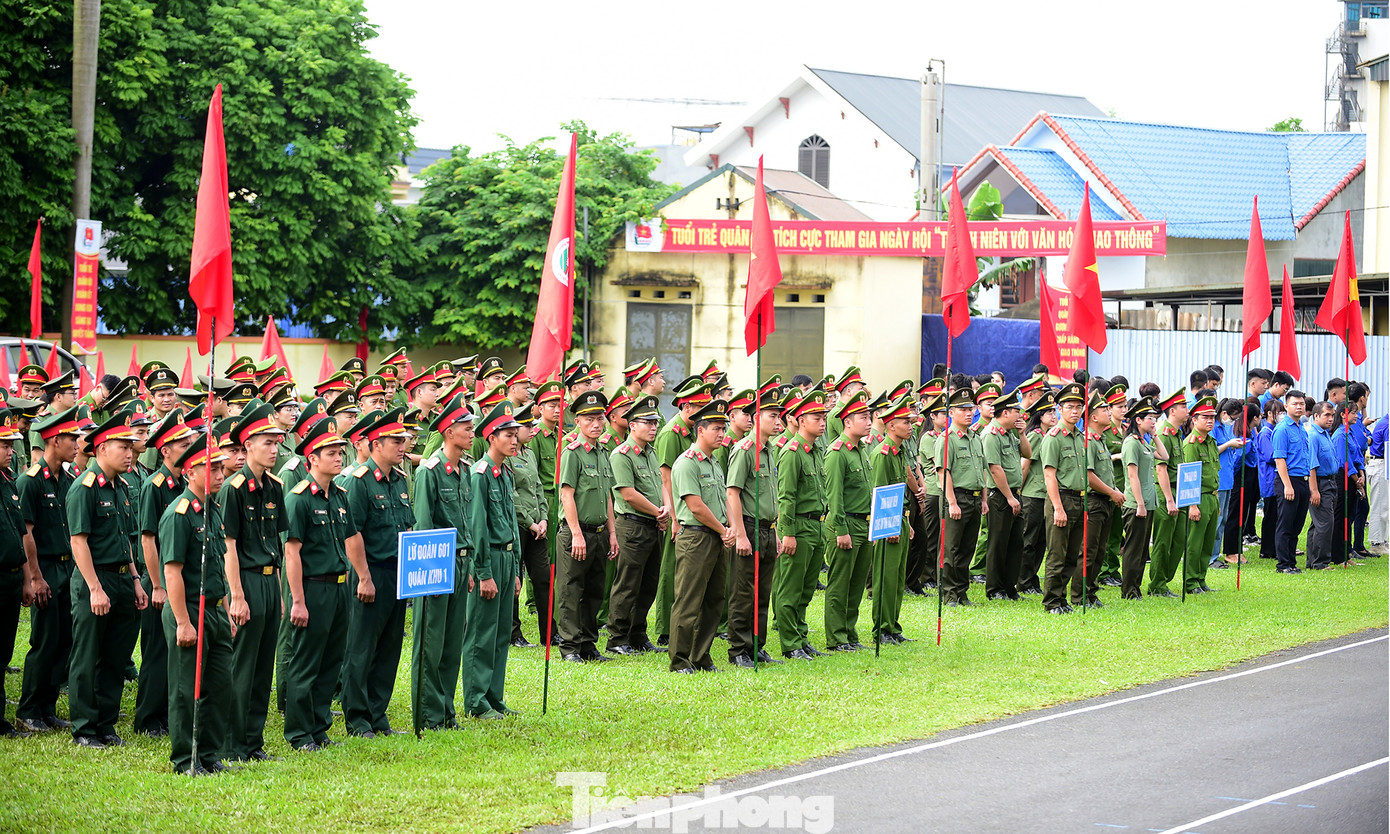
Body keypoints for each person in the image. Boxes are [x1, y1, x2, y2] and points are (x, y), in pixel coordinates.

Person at [67, 411, 147, 748]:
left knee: (116, 655)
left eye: (131, 446)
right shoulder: (84, 488)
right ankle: (85, 728)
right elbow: (78, 540)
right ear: (101, 448)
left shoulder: (123, 487)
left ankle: (105, 723)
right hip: (94, 579)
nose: (129, 452)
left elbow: (126, 538)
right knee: (88, 655)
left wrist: (136, 580)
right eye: (122, 446)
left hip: (121, 579)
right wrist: (95, 588)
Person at [159, 435, 234, 774]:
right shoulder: (180, 514)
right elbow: (172, 572)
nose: (220, 474)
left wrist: (228, 607)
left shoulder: (213, 509)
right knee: (187, 689)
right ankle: (184, 759)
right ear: (191, 472)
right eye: (213, 468)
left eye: (221, 467)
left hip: (216, 610)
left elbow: (219, 564)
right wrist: (184, 622)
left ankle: (208, 754)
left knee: (220, 686)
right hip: (189, 610)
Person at [340, 408, 414, 737]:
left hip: (398, 572)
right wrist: (364, 577)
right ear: (375, 445)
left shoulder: (400, 480)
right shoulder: (359, 483)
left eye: (404, 440)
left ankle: (377, 715)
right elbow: (352, 534)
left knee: (389, 648)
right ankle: (357, 719)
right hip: (370, 573)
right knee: (361, 648)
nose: (403, 446)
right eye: (395, 441)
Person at [220, 403, 288, 761]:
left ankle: (253, 742)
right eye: (267, 442)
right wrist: (236, 596)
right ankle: (232, 743)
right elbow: (229, 545)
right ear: (247, 445)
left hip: (267, 582)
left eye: (277, 442)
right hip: (244, 580)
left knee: (263, 670)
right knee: (242, 668)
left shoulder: (274, 487)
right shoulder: (233, 489)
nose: (274, 449)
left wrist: (277, 595)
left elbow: (276, 545)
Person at [282, 419, 355, 751]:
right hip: (313, 588)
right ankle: (299, 732)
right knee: (306, 660)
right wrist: (297, 600)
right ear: (312, 457)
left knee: (331, 660)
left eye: (340, 451)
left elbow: (351, 539)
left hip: (340, 587)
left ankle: (319, 727)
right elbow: (292, 552)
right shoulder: (298, 499)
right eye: (331, 452)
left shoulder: (339, 496)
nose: (339, 457)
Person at [14, 408, 81, 734]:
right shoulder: (30, 481)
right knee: (43, 641)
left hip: (69, 569)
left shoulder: (68, 480)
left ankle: (48, 707)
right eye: (72, 437)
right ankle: (29, 709)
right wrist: (35, 577)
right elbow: (27, 533)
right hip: (47, 568)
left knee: (64, 641)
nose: (77, 443)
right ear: (55, 440)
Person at [410, 394, 476, 730]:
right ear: (448, 431)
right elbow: (423, 526)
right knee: (431, 643)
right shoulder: (430, 471)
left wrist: (469, 567)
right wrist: (428, 574)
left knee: (452, 644)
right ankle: (428, 713)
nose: (472, 432)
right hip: (436, 563)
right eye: (466, 427)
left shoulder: (464, 470)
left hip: (461, 562)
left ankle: (446, 711)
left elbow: (466, 521)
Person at [464, 401, 523, 718]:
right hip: (488, 561)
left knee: (501, 633)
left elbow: (510, 523)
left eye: (516, 434)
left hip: (506, 559)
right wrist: (483, 572)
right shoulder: (480, 474)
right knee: (481, 633)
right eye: (508, 434)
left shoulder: (503, 474)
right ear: (490, 436)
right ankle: (475, 699)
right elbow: (478, 529)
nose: (514, 440)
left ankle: (493, 695)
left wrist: (514, 570)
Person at [668, 399, 736, 673]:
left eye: (724, 428)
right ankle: (680, 659)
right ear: (701, 430)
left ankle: (701, 655)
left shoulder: (714, 462)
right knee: (688, 600)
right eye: (717, 429)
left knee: (714, 600)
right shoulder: (687, 463)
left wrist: (731, 528)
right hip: (696, 538)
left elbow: (724, 500)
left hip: (717, 537)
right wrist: (724, 530)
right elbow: (695, 505)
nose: (722, 434)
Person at [556, 391, 619, 663]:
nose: (596, 423)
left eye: (600, 418)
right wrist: (577, 535)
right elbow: (566, 494)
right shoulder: (572, 452)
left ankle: (588, 645)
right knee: (571, 591)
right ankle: (570, 647)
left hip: (599, 533)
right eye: (589, 419)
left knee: (594, 591)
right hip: (576, 532)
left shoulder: (603, 453)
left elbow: (607, 496)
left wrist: (613, 533)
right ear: (578, 421)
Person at [606, 395, 668, 656]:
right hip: (632, 526)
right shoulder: (622, 454)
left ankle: (637, 633)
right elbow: (627, 493)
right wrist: (658, 512)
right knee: (628, 583)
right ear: (632, 425)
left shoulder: (651, 453)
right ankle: (617, 637)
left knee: (649, 583)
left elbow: (662, 484)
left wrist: (665, 510)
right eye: (647, 422)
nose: (654, 427)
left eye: (655, 422)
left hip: (654, 525)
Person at [725, 388, 781, 668]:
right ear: (757, 417)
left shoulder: (769, 450)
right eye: (772, 415)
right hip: (749, 526)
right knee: (743, 592)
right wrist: (740, 534)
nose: (778, 421)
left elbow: (771, 496)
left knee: (763, 592)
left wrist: (777, 533)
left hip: (768, 529)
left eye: (779, 415)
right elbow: (732, 492)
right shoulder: (744, 450)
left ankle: (756, 645)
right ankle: (738, 649)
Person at [652, 379, 711, 646]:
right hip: (679, 511)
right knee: (670, 570)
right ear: (686, 407)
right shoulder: (671, 433)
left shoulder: (690, 431)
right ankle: (666, 627)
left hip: (691, 509)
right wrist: (674, 517)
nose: (704, 413)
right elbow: (666, 478)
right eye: (700, 407)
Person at [822, 391, 873, 651]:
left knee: (856, 585)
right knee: (840, 583)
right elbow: (835, 497)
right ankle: (836, 637)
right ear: (847, 422)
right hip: (846, 524)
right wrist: (841, 530)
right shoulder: (837, 452)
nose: (869, 421)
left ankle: (850, 632)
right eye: (863, 417)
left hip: (864, 524)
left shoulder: (863, 450)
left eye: (869, 416)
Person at [937, 387, 987, 607]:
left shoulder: (975, 437)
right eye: (963, 409)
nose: (968, 413)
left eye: (971, 408)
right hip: (957, 497)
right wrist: (952, 502)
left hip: (975, 498)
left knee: (967, 548)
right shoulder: (947, 439)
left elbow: (981, 470)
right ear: (951, 412)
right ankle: (949, 593)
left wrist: (984, 499)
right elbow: (943, 472)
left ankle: (961, 591)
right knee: (951, 549)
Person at [1038, 382, 1086, 614]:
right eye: (1069, 406)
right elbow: (1049, 475)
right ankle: (1051, 601)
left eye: (1078, 406)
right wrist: (1058, 507)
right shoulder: (1053, 437)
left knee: (1072, 556)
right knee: (1057, 554)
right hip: (1061, 499)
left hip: (1079, 499)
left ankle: (1062, 598)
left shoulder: (1080, 437)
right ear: (1059, 409)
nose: (1075, 411)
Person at [870, 396, 915, 643]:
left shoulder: (899, 452)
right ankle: (882, 628)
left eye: (910, 421)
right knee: (885, 578)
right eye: (904, 422)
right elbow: (879, 492)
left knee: (897, 579)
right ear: (890, 426)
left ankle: (892, 626)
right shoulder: (883, 454)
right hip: (887, 523)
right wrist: (889, 525)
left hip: (900, 519)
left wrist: (904, 522)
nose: (910, 426)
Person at [1076, 392, 1125, 608]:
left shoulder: (1100, 440)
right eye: (1105, 409)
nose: (1109, 412)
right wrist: (1112, 492)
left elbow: (1105, 473)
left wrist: (1114, 490)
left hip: (1105, 501)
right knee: (1088, 551)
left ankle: (1091, 593)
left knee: (1099, 551)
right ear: (1093, 417)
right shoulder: (1088, 440)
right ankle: (1080, 595)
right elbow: (1089, 477)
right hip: (1093, 501)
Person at [983, 389, 1030, 601]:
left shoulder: (1010, 433)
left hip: (1014, 494)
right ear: (1005, 413)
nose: (1019, 415)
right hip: (1001, 496)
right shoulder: (991, 434)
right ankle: (995, 588)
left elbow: (1027, 453)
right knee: (998, 543)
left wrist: (1021, 433)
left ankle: (1010, 587)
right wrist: (1009, 497)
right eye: (1015, 411)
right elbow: (995, 469)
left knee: (1015, 543)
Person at [0, 412, 30, 737]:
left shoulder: (9, 482)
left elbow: (19, 533)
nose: (10, 451)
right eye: (5, 445)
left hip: (10, 579)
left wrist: (25, 578)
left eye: (11, 445)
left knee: (4, 651)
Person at [508, 404, 548, 648]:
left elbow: (538, 489)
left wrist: (543, 518)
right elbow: (512, 495)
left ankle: (549, 632)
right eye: (527, 426)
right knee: (515, 579)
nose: (532, 429)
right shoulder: (509, 456)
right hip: (519, 525)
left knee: (543, 578)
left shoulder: (529, 454)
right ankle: (514, 633)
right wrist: (530, 523)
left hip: (537, 525)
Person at [1146, 390, 1190, 598]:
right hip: (1166, 492)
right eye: (1184, 407)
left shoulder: (1177, 432)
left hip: (1178, 490)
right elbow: (1161, 469)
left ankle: (1164, 580)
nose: (1188, 410)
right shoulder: (1164, 432)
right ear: (1172, 411)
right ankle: (1157, 584)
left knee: (1179, 540)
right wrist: (1169, 500)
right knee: (1163, 541)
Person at [1119, 398, 1162, 600]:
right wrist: (1140, 504)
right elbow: (1132, 475)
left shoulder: (1144, 442)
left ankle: (1135, 588)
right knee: (1134, 549)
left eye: (1154, 418)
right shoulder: (1131, 443)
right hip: (1136, 504)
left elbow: (1165, 455)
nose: (1154, 421)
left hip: (1148, 501)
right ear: (1138, 420)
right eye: (1150, 418)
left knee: (1143, 550)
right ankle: (1128, 590)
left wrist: (1155, 435)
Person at [1182, 396, 1223, 594]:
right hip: (1198, 497)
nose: (1209, 421)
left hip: (1212, 496)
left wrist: (1216, 500)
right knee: (1194, 543)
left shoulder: (1211, 441)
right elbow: (1188, 476)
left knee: (1208, 542)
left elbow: (1214, 469)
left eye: (1212, 417)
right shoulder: (1191, 444)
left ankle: (1201, 578)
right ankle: (1190, 582)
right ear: (1194, 419)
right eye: (1205, 417)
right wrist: (1192, 504)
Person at [1017, 392, 1056, 595]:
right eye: (1049, 412)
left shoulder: (1049, 435)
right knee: (1029, 540)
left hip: (1044, 495)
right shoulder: (1035, 435)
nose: (1054, 415)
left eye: (1054, 411)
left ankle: (1032, 579)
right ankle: (1023, 580)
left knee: (1041, 541)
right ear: (1039, 416)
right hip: (1032, 494)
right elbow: (1025, 465)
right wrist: (1020, 491)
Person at [1271, 392, 1311, 575]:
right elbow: (1280, 459)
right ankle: (1283, 564)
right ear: (1286, 406)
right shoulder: (1282, 429)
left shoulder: (1301, 427)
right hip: (1289, 480)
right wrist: (1287, 485)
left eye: (1301, 403)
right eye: (1295, 404)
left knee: (1297, 525)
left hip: (1303, 480)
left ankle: (1292, 562)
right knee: (1285, 524)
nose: (1299, 407)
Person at [1220, 401, 1261, 566]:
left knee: (1243, 515)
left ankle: (1238, 549)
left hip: (1250, 475)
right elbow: (1237, 459)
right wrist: (1236, 476)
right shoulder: (1241, 433)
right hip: (1240, 476)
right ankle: (1230, 551)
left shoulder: (1252, 432)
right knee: (1235, 515)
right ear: (1254, 417)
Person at [915, 390, 949, 592]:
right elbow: (942, 463)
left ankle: (937, 573)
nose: (945, 417)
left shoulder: (945, 436)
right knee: (931, 535)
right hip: (934, 491)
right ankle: (927, 575)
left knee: (941, 537)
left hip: (943, 491)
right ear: (932, 417)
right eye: (941, 414)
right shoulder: (929, 438)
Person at [1305, 401, 1343, 570]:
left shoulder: (1325, 434)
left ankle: (1313, 560)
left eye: (1332, 415)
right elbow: (1312, 466)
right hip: (1320, 482)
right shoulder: (1313, 436)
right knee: (1325, 524)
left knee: (1319, 523)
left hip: (1330, 481)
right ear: (1316, 416)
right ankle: (1320, 562)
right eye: (1327, 415)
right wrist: (1314, 491)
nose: (1330, 418)